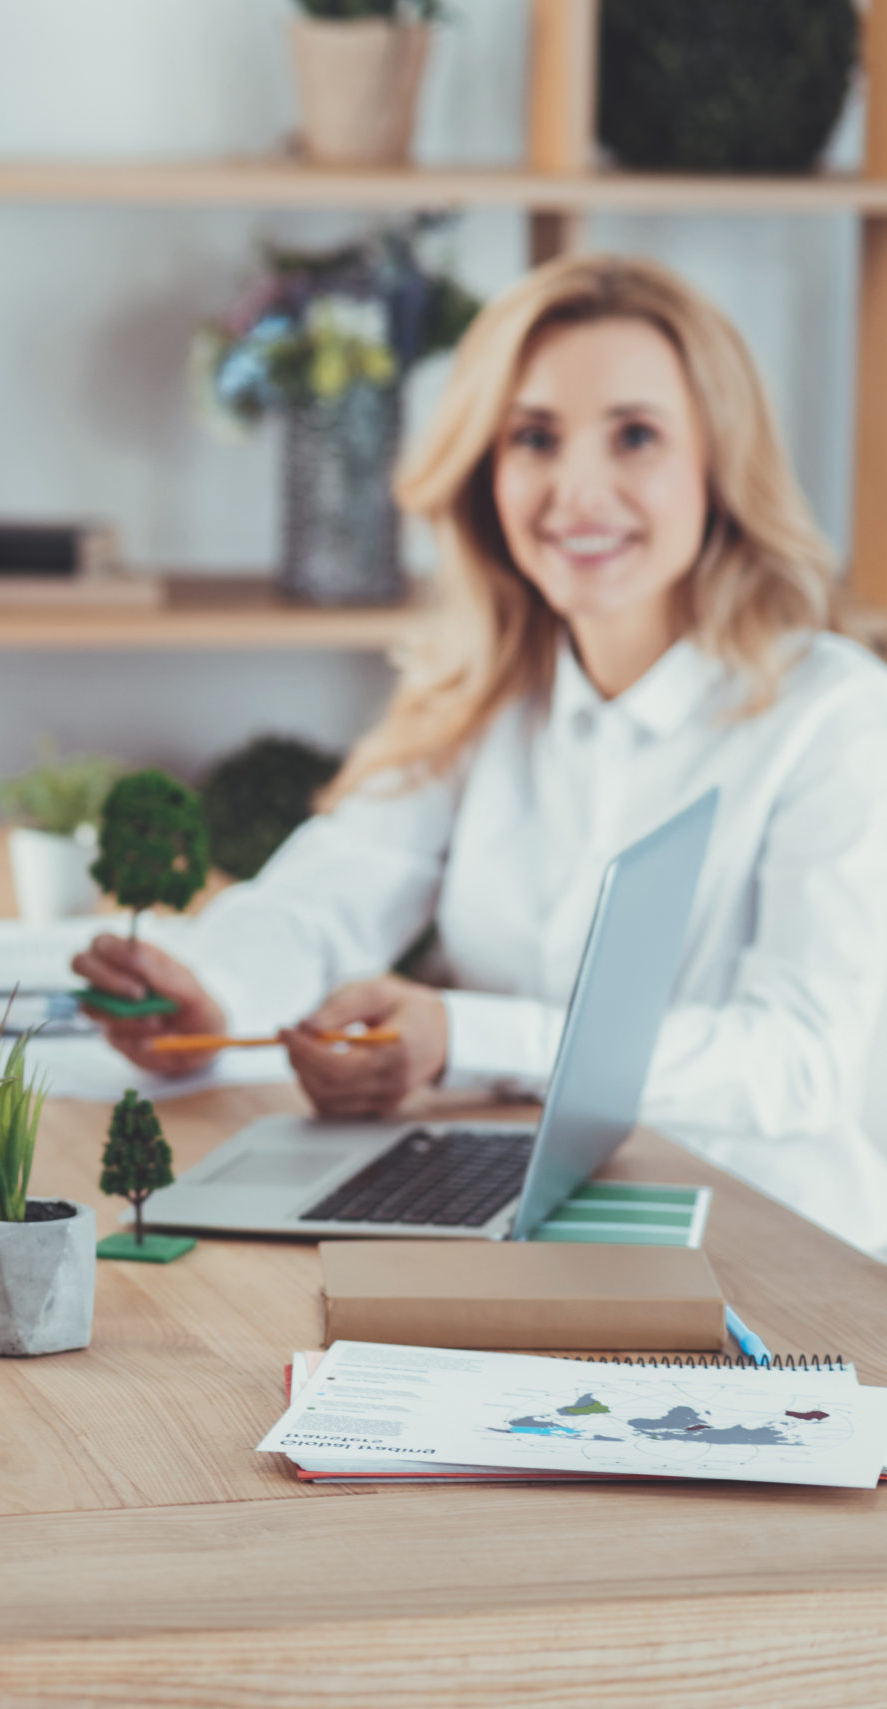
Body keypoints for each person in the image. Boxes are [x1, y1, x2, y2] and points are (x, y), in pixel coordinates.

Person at [74, 253, 887, 1250]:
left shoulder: (833, 713)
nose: (576, 491)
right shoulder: (487, 692)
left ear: (718, 461)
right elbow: (325, 898)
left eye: (635, 436)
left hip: (781, 1246)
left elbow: (801, 1058)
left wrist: (462, 1037)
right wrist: (213, 991)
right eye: (534, 438)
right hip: (534, 1220)